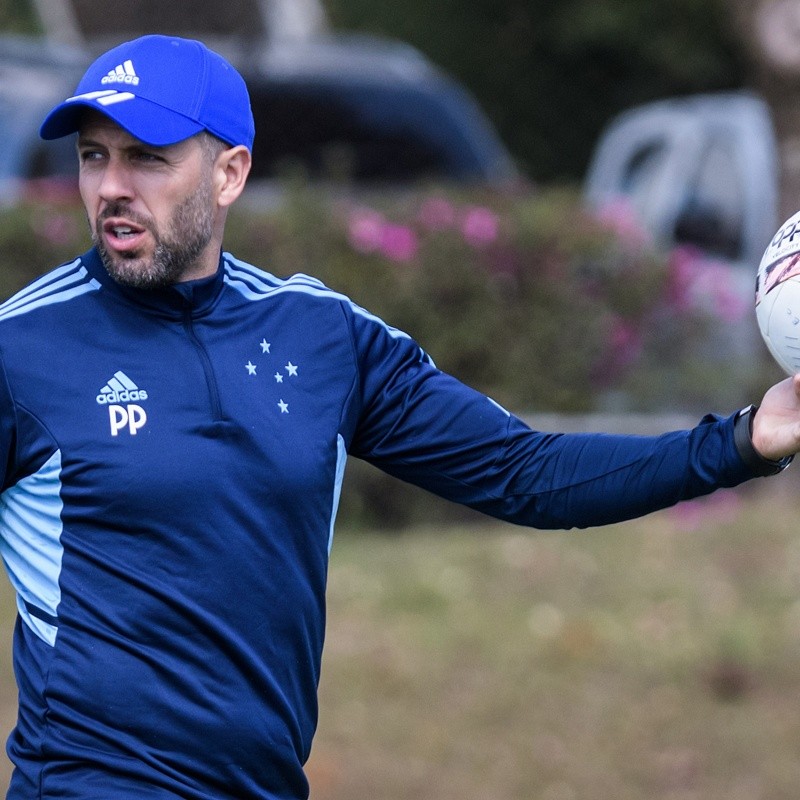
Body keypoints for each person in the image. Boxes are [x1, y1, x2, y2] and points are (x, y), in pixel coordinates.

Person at [1, 33, 799, 800]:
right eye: (93, 156)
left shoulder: (321, 338)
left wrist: (745, 441)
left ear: (230, 173)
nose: (111, 186)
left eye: (147, 157)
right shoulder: (22, 350)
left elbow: (531, 475)